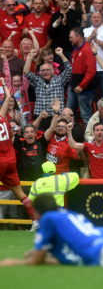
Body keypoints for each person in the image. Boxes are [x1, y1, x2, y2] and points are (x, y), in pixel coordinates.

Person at [0, 78, 36, 220]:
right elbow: (9, 97)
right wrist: (3, 83)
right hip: (10, 160)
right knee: (21, 195)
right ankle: (37, 221)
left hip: (1, 160)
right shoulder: (2, 116)